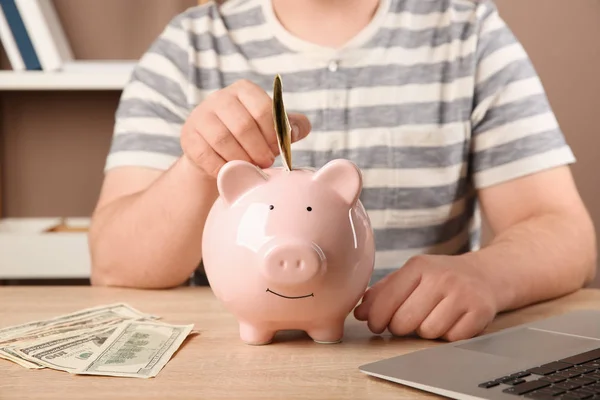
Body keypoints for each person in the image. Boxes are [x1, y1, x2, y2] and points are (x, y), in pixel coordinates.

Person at [88, 0, 597, 342]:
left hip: (420, 348)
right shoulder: (189, 46)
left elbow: (564, 231)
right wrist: (204, 163)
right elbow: (116, 265)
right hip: (238, 366)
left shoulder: (468, 30)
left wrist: (489, 275)